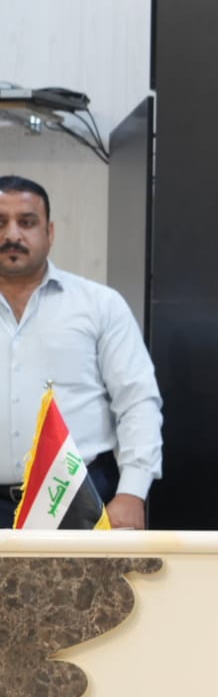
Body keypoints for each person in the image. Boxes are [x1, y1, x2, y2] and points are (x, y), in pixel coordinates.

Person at [0, 175, 161, 529]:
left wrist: (132, 493)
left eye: (27, 222)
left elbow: (137, 401)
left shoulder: (99, 305)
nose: (12, 234)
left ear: (50, 232)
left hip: (78, 499)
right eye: (1, 223)